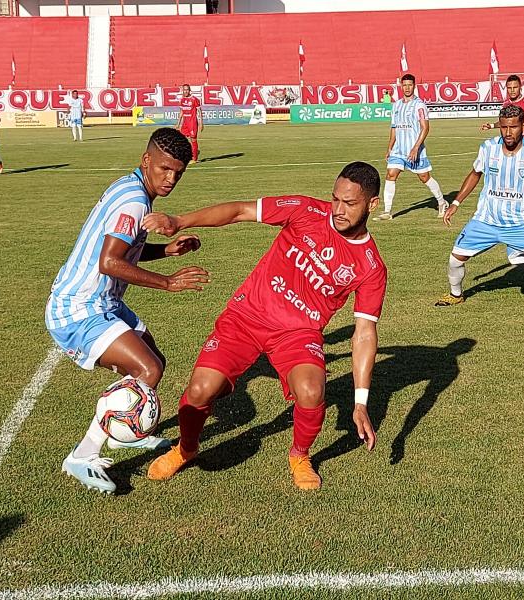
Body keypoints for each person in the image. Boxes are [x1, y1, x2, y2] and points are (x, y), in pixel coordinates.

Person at [143, 161, 388, 490]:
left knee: (312, 390)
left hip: (297, 333)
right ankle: (185, 449)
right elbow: (241, 211)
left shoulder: (371, 266)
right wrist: (179, 220)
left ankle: (300, 456)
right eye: (335, 199)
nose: (338, 210)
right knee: (200, 389)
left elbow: (364, 333)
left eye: (350, 203)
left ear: (372, 204)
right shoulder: (304, 210)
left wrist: (360, 403)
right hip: (247, 317)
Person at [46, 128, 210, 494]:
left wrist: (165, 251)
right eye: (165, 169)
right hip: (78, 307)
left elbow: (127, 246)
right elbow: (109, 261)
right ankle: (83, 456)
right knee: (145, 368)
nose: (170, 179)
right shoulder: (134, 201)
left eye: (178, 173)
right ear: (146, 160)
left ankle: (123, 433)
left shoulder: (133, 188)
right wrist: (167, 282)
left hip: (102, 302)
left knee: (154, 363)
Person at [435, 105, 524, 314]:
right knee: (455, 259)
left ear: (523, 126)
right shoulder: (488, 148)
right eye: (504, 127)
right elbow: (475, 174)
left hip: (521, 222)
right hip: (486, 220)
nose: (508, 132)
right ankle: (455, 295)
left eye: (513, 127)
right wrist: (456, 203)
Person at [376, 73, 447, 221]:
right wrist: (390, 147)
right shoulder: (396, 105)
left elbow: (425, 128)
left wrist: (415, 148)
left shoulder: (419, 105)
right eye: (405, 85)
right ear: (401, 86)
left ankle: (442, 202)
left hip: (414, 150)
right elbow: (394, 128)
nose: (407, 88)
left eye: (410, 85)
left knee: (424, 177)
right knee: (391, 174)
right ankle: (387, 211)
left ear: (414, 86)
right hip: (398, 150)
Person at [481, 75, 524, 213]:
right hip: (512, 144)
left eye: (515, 87)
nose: (512, 90)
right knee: (514, 177)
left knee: (523, 177)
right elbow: (504, 123)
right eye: (509, 88)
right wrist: (491, 125)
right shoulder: (506, 104)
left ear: (520, 87)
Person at [176, 84, 203, 163]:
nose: (186, 91)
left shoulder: (194, 99)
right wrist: (178, 124)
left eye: (187, 89)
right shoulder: (182, 100)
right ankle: (189, 153)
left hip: (192, 123)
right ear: (182, 91)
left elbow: (199, 111)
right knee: (180, 139)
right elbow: (181, 112)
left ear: (189, 90)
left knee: (193, 140)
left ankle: (194, 158)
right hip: (185, 124)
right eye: (184, 90)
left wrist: (201, 123)